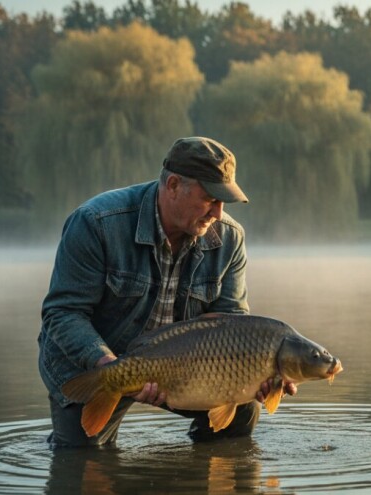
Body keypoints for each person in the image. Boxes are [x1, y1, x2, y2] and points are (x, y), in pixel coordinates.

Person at [37, 136, 295, 448]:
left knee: (242, 411)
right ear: (173, 185)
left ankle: (197, 469)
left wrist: (260, 374)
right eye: (210, 199)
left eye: (224, 202)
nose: (218, 213)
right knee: (82, 455)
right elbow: (64, 313)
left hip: (185, 369)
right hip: (90, 363)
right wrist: (109, 367)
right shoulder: (96, 222)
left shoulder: (230, 238)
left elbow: (231, 324)